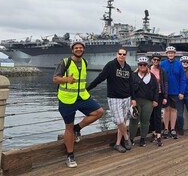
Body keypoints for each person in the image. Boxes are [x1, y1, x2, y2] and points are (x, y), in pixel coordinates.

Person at [53, 39, 104, 168]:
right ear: (72, 50)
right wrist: (66, 79)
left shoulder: (84, 62)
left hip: (82, 96)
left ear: (84, 49)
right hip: (67, 99)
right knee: (68, 127)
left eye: (81, 47)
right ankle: (70, 156)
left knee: (99, 112)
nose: (79, 49)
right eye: (76, 47)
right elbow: (55, 79)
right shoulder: (65, 62)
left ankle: (78, 128)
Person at [87, 47, 135, 153]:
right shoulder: (110, 65)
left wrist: (133, 98)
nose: (122, 56)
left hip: (126, 97)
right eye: (120, 54)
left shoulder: (128, 67)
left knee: (122, 122)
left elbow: (131, 84)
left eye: (124, 54)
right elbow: (100, 77)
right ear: (116, 54)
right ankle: (126, 138)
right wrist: (88, 88)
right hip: (114, 97)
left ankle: (118, 144)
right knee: (119, 121)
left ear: (126, 55)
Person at [129, 57, 159, 147]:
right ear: (138, 66)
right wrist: (132, 99)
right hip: (136, 101)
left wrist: (155, 100)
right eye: (140, 65)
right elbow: (130, 89)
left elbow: (156, 89)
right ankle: (131, 139)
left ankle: (143, 139)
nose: (142, 66)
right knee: (133, 121)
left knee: (145, 121)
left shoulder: (152, 77)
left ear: (147, 66)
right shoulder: (133, 75)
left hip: (148, 102)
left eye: (144, 65)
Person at [160, 46, 186, 139]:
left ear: (175, 54)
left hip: (175, 91)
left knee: (174, 110)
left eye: (172, 53)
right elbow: (160, 79)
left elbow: (182, 79)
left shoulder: (179, 65)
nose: (170, 54)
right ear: (166, 54)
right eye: (169, 53)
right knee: (166, 110)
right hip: (166, 92)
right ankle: (166, 128)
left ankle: (172, 128)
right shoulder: (162, 64)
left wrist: (181, 92)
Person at [149, 53, 168, 147]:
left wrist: (165, 97)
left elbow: (165, 83)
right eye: (154, 59)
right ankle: (153, 134)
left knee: (157, 116)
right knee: (150, 116)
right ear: (152, 60)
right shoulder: (147, 69)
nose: (156, 61)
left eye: (158, 60)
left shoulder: (162, 70)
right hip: (149, 96)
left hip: (159, 95)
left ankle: (159, 135)